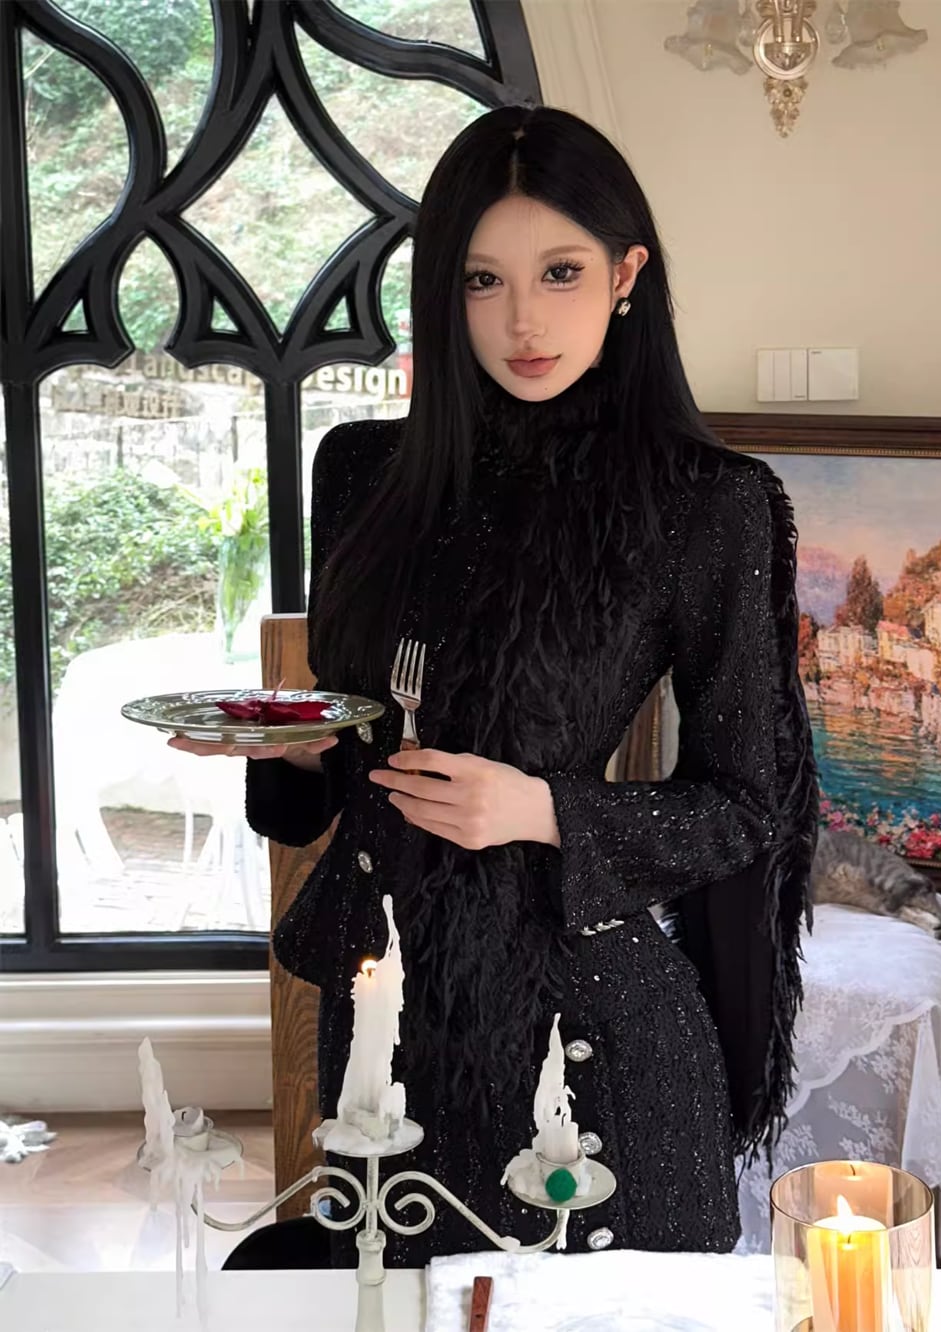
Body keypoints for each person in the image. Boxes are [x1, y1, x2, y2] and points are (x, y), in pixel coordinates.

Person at [170, 104, 817, 1264]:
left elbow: (745, 809)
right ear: (441, 291)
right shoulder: (363, 472)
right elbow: (341, 772)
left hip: (592, 1045)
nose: (523, 320)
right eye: (482, 280)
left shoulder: (706, 505)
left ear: (625, 275)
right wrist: (299, 751)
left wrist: (541, 809)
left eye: (560, 272)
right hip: (386, 1022)